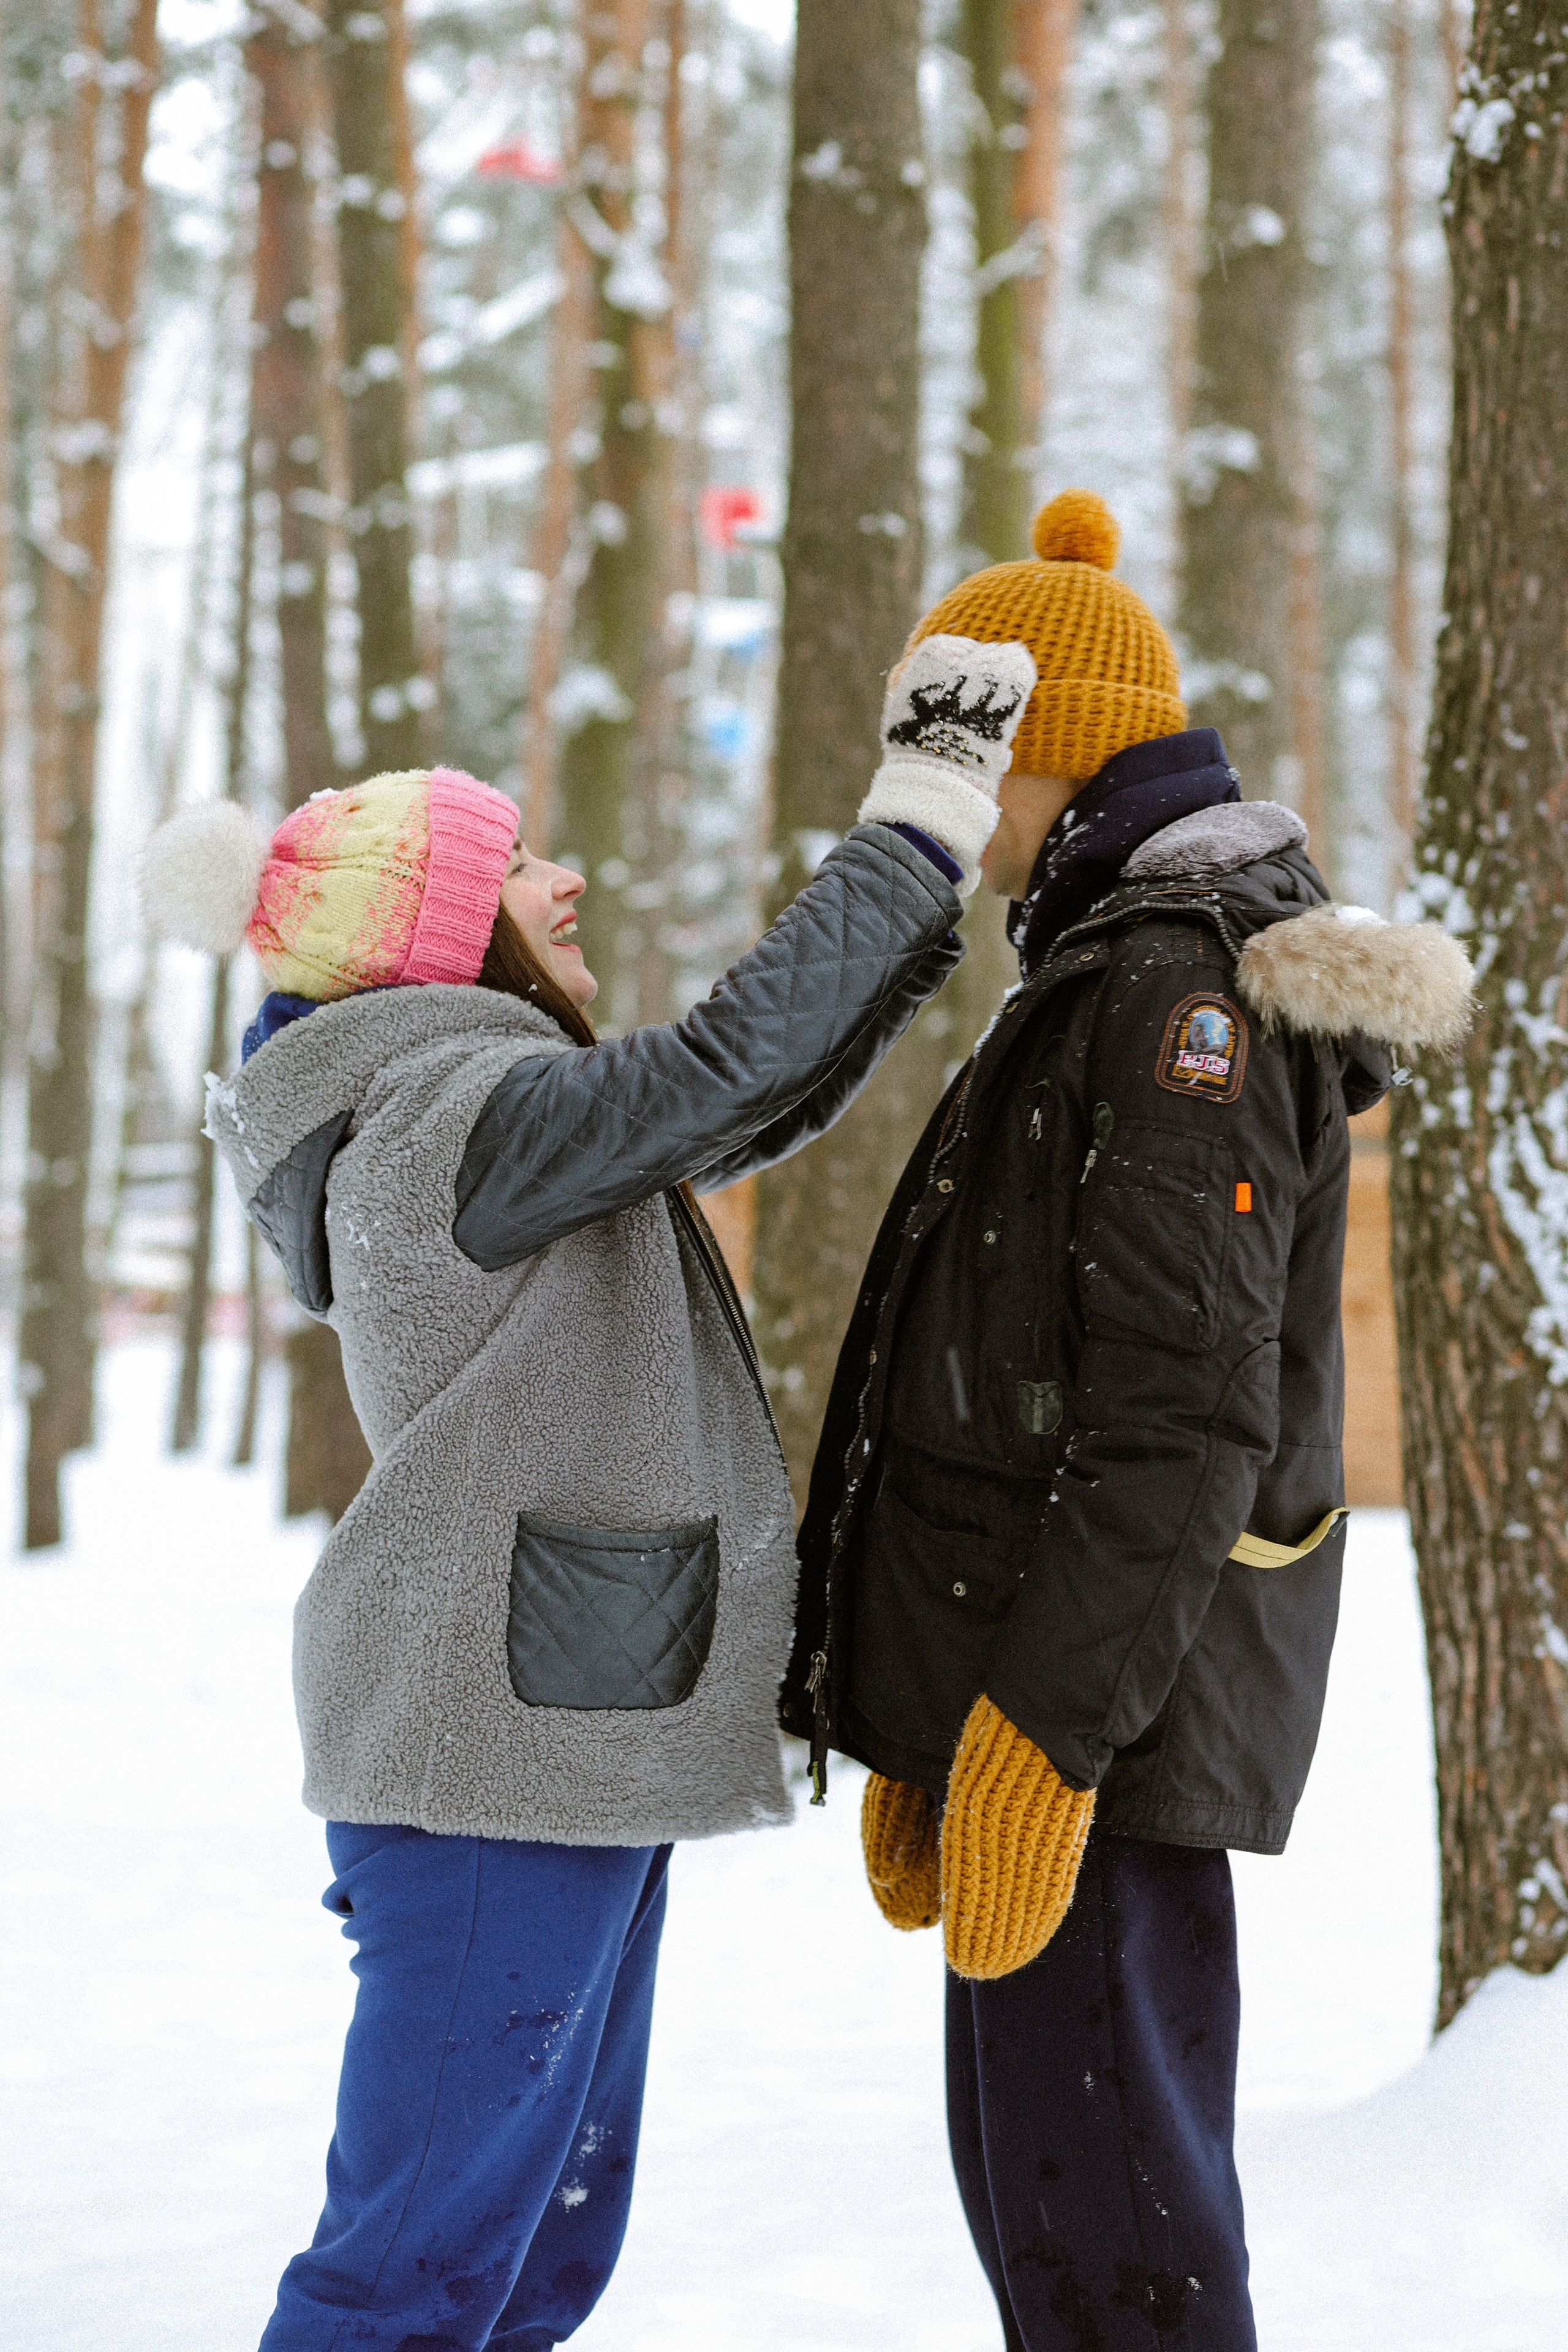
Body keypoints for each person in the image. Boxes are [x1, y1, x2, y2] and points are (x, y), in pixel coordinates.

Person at [139, 632, 1034, 2352]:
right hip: (491, 1770)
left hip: (550, 1742)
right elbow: (712, 1074)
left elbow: (736, 1103)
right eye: (519, 862)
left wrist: (920, 892)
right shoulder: (439, 1118)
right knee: (411, 2271)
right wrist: (916, 815)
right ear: (435, 934)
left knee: (534, 2256)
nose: (565, 877)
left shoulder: (477, 1114)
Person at [780, 490, 1474, 2351]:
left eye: (958, 766)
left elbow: (1177, 1424)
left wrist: (1037, 1740)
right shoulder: (1109, 956)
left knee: (1118, 2268)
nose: (938, 820)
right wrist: (949, 1715)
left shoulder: (1176, 990)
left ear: (1055, 754)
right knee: (1058, 2219)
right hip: (1057, 1703)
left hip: (1099, 1730)